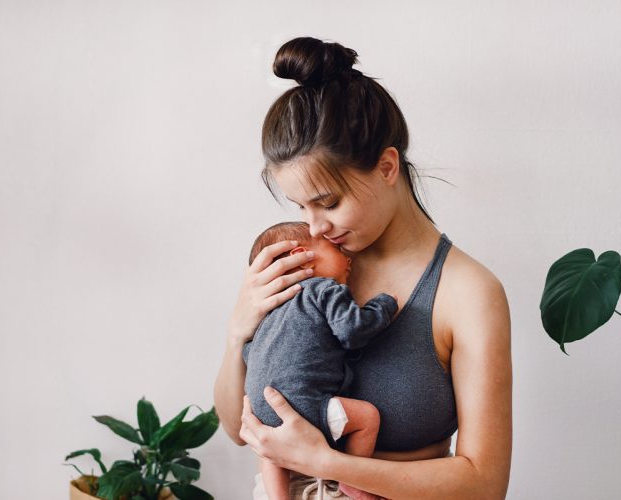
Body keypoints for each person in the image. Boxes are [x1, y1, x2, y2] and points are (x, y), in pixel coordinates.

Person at [213, 36, 512, 499]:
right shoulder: (307, 265)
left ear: (387, 166)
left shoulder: (467, 293)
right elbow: (239, 429)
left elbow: (484, 485)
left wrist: (327, 462)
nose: (314, 226)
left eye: (328, 202)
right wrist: (237, 332)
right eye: (300, 206)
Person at [243, 221, 399, 500]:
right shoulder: (325, 288)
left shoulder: (268, 313)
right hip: (304, 405)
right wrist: (383, 306)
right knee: (367, 417)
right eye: (337, 248)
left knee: (270, 451)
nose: (348, 257)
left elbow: (249, 352)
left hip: (259, 408)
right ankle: (353, 482)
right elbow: (353, 331)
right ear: (302, 257)